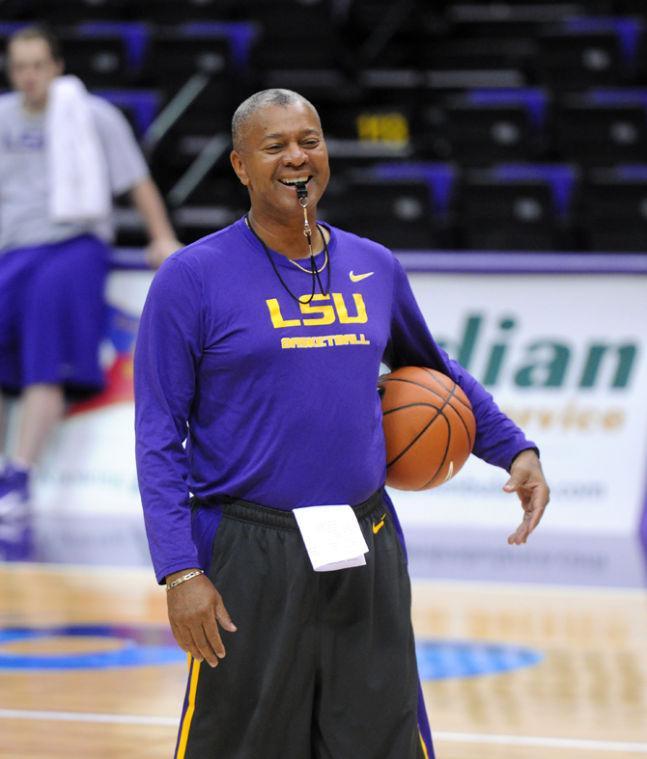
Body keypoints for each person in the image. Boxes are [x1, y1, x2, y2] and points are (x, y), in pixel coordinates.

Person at [134, 89, 550, 759]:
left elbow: (431, 367)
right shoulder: (190, 278)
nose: (297, 157)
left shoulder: (373, 264)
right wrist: (180, 571)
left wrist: (513, 449)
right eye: (275, 146)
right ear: (241, 165)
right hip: (248, 547)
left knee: (379, 739)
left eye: (309, 140)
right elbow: (158, 433)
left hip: (365, 536)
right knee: (239, 744)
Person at [0, 25, 181, 529]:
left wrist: (161, 236)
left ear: (56, 66)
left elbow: (136, 181)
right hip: (10, 250)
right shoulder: (1, 118)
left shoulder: (92, 116)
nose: (29, 76)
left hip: (70, 244)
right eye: (19, 67)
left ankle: (20, 476)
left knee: (46, 350)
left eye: (38, 65)